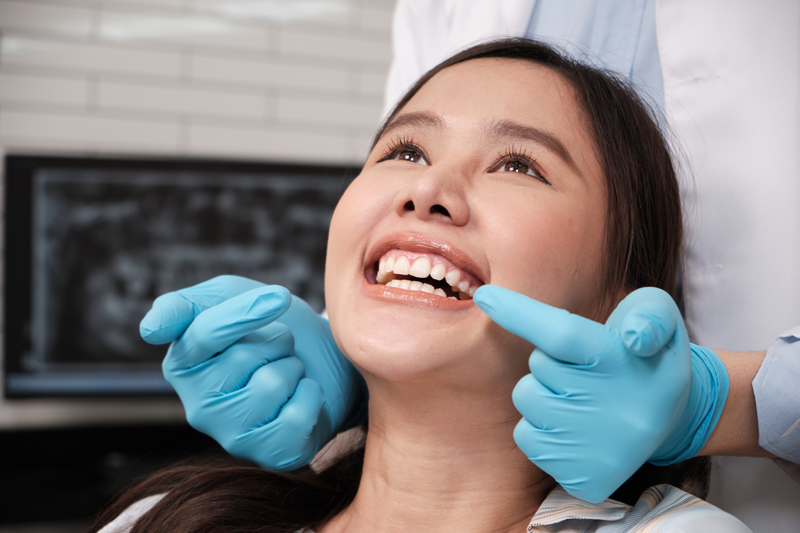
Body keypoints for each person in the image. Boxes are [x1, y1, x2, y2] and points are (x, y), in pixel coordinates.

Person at [140, 1, 800, 528]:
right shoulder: (166, 520)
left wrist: (723, 400)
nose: (423, 190)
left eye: (518, 164)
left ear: (619, 303)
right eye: (404, 150)